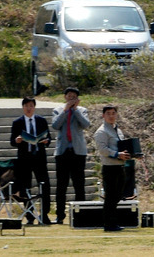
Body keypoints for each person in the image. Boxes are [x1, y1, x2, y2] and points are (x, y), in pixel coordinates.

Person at [10, 96, 52, 224]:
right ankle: (29, 215)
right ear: (23, 107)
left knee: (44, 186)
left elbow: (49, 137)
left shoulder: (41, 120)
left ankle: (44, 215)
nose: (29, 108)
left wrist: (46, 141)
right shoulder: (17, 122)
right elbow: (12, 141)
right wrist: (16, 141)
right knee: (25, 187)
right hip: (24, 158)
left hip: (39, 157)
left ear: (34, 107)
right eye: (26, 106)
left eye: (31, 106)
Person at [52, 86, 90, 224]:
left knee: (79, 184)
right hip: (62, 152)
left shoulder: (82, 110)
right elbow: (55, 125)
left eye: (74, 97)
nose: (71, 98)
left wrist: (75, 110)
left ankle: (81, 214)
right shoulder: (57, 110)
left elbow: (86, 124)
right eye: (69, 96)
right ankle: (60, 215)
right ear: (65, 97)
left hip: (78, 152)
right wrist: (65, 110)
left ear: (78, 99)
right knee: (61, 186)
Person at [94, 104, 130, 232]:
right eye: (108, 113)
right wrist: (117, 154)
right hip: (109, 167)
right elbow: (102, 150)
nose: (111, 116)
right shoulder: (101, 131)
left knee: (118, 195)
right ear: (103, 116)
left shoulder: (117, 130)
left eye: (113, 113)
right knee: (110, 196)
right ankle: (109, 224)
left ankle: (113, 221)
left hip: (120, 166)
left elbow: (121, 146)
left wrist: (132, 154)